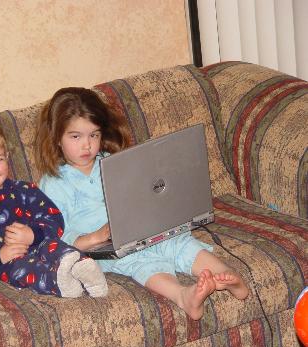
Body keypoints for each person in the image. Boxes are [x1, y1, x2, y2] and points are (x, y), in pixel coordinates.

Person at [35, 87, 249, 319]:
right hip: (102, 249)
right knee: (136, 261)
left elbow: (139, 194)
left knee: (178, 241)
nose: (86, 145)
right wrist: (94, 238)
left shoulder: (113, 163)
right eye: (75, 136)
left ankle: (226, 276)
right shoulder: (54, 183)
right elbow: (53, 236)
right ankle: (182, 296)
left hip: (138, 228)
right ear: (57, 137)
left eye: (94, 135)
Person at [0, 116, 108, 298]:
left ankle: (82, 267)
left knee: (55, 246)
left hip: (41, 247)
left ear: (7, 157)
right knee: (22, 269)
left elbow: (54, 218)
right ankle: (61, 282)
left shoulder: (24, 190)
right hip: (8, 263)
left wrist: (34, 234)